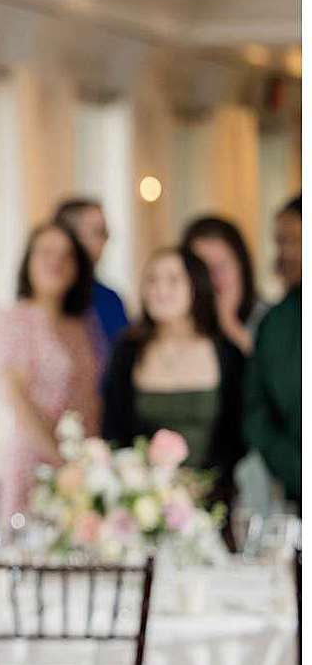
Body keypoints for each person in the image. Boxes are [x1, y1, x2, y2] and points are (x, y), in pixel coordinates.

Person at [101, 248, 245, 511]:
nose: (160, 289)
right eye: (152, 280)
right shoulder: (127, 352)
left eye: (173, 280)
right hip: (143, 503)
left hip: (213, 501)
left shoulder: (226, 354)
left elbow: (238, 435)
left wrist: (205, 482)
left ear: (196, 286)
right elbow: (113, 430)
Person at [0, 222, 102, 522]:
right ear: (29, 261)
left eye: (67, 255)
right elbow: (19, 402)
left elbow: (90, 397)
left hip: (80, 464)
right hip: (34, 463)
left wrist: (88, 460)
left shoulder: (83, 325)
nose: (57, 262)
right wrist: (60, 461)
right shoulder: (16, 320)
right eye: (46, 252)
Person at [245, 195, 301, 506]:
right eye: (280, 242)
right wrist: (295, 468)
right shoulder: (275, 323)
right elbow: (257, 412)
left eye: (295, 241)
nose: (285, 254)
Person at [54, 197, 128, 369]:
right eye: (99, 232)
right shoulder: (46, 301)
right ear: (69, 237)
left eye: (106, 233)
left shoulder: (111, 300)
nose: (106, 240)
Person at [182, 215, 265, 356]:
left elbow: (277, 372)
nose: (213, 279)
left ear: (242, 267)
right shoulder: (176, 323)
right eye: (203, 269)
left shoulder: (270, 319)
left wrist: (230, 324)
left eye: (221, 266)